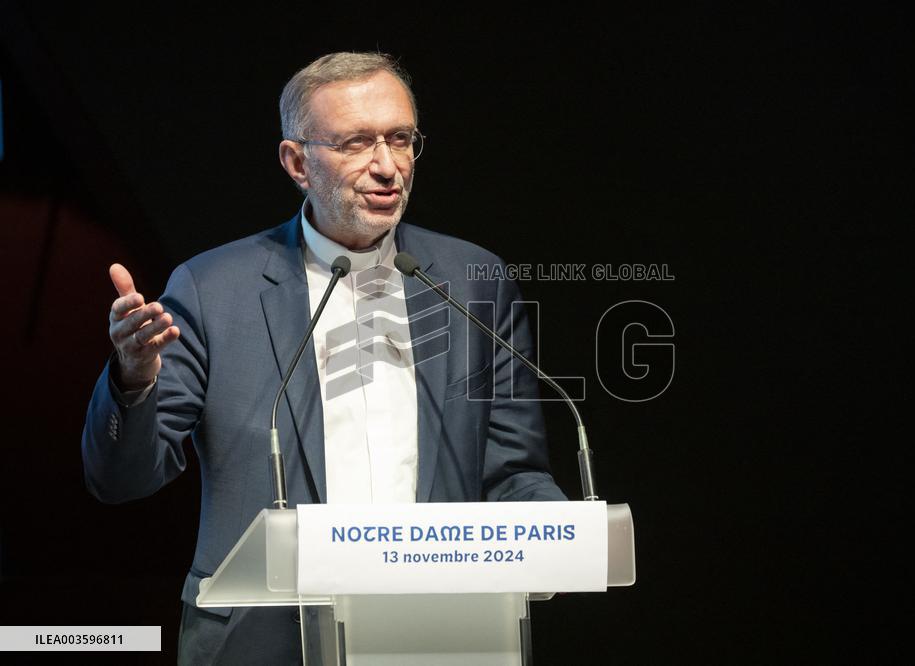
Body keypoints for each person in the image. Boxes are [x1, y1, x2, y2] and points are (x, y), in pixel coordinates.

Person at [81, 52, 565, 664]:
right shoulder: (215, 289)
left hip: (441, 633)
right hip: (261, 642)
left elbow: (511, 472)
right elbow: (121, 479)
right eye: (357, 143)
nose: (387, 166)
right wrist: (133, 379)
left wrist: (561, 533)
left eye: (400, 139)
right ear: (297, 162)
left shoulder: (475, 282)